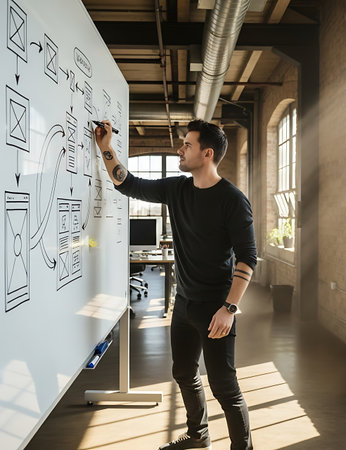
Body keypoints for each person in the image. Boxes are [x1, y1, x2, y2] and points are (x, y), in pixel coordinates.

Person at [95, 119, 257, 450]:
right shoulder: (177, 188)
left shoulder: (232, 200)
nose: (180, 150)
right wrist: (106, 149)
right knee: (183, 372)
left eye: (187, 145)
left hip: (216, 307)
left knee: (224, 386)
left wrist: (229, 308)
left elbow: (247, 259)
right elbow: (129, 184)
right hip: (183, 304)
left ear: (206, 154)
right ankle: (199, 435)